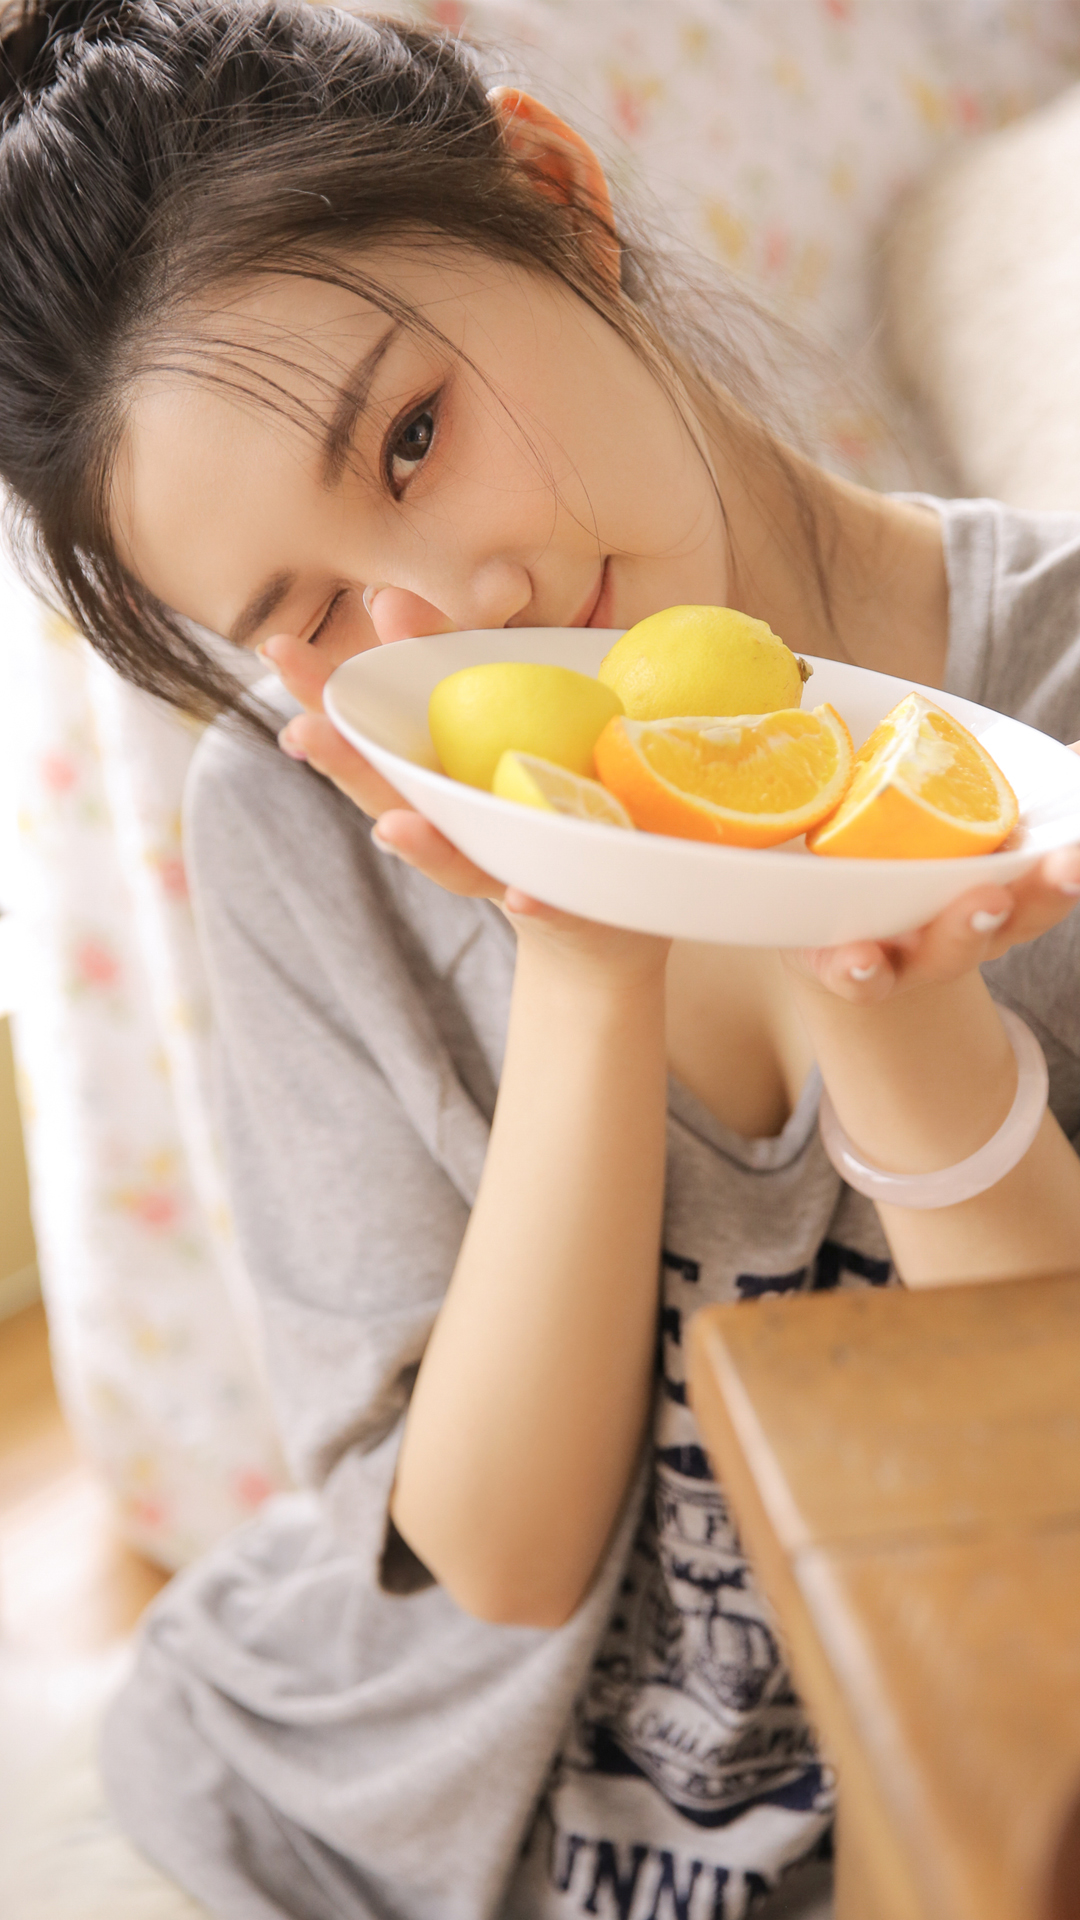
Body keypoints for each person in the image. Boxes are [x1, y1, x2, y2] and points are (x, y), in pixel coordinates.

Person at [3, 2, 1080, 1915]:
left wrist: (903, 1013)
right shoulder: (306, 823)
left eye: (413, 437)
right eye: (310, 613)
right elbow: (486, 1561)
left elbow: (1049, 1435)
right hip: (432, 1809)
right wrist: (583, 963)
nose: (460, 606)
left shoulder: (1040, 723)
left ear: (560, 201)